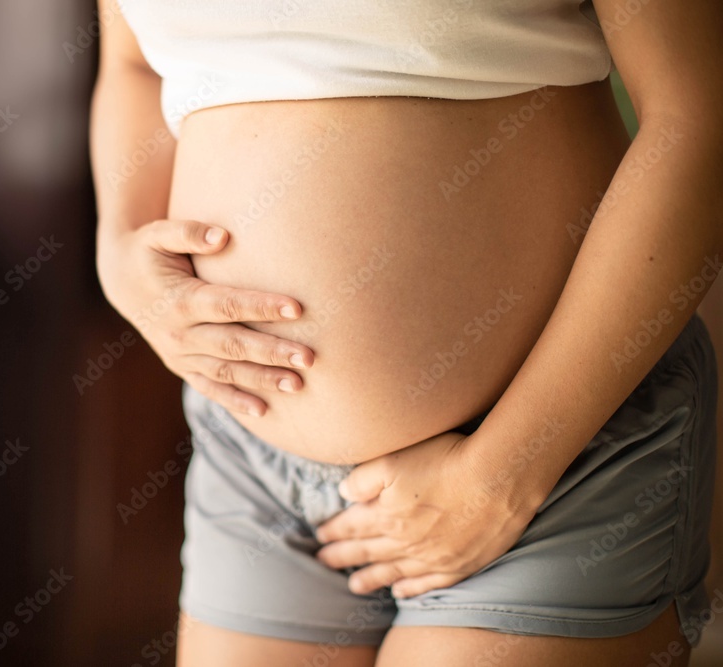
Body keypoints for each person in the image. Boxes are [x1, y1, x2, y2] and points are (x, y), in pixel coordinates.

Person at [90, 0, 723, 664]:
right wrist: (118, 254)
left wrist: (504, 473)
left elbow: (700, 119)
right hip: (252, 456)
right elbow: (135, 64)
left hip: (552, 454)